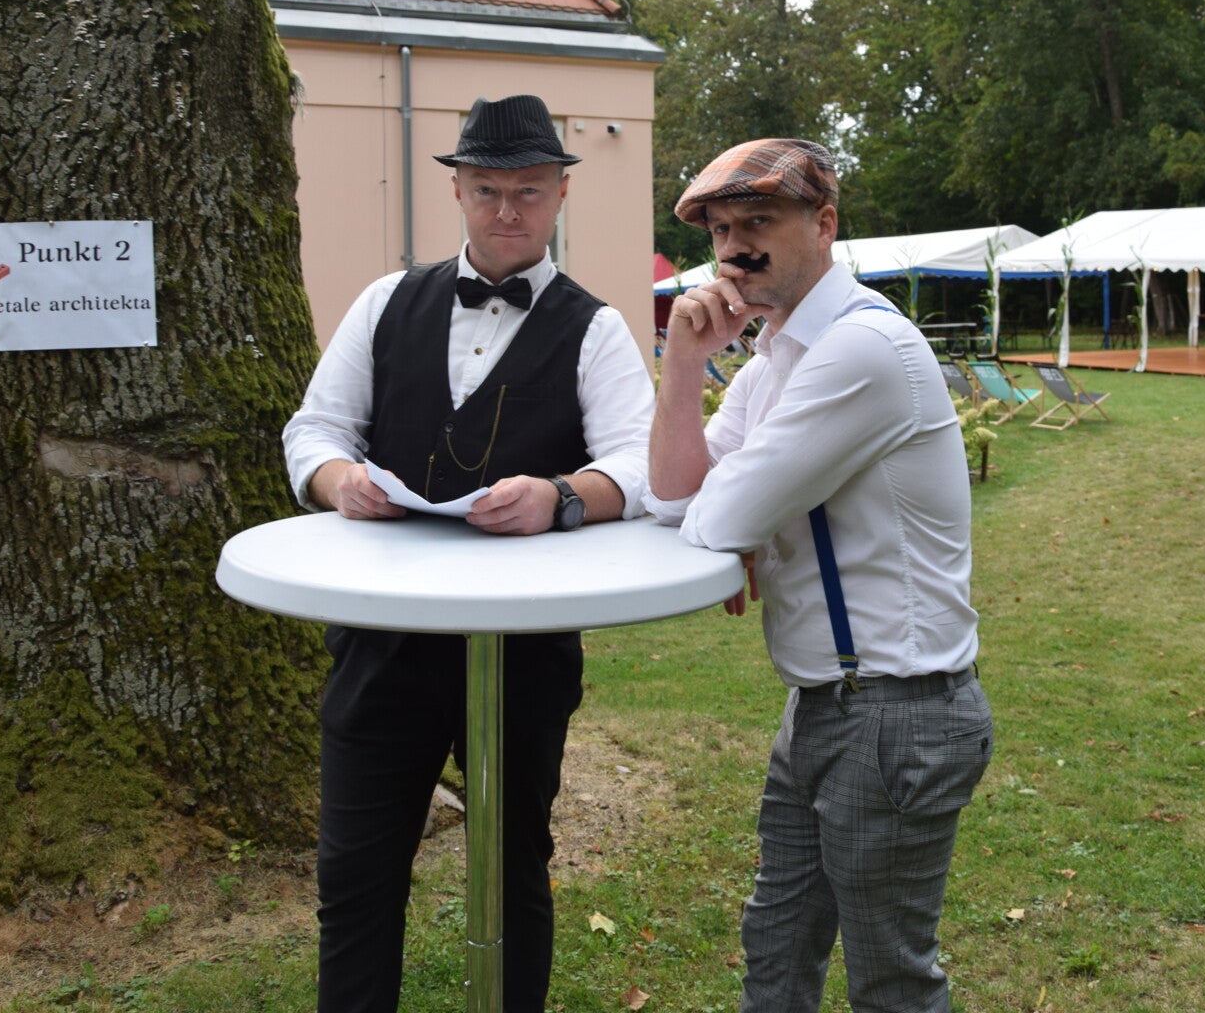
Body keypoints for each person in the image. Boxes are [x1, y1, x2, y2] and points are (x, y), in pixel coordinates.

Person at [282, 94, 654, 1013]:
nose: (506, 211)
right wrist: (339, 481)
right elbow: (314, 429)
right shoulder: (385, 302)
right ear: (457, 191)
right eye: (487, 189)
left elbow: (642, 465)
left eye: (528, 191)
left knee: (515, 867)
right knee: (355, 876)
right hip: (381, 637)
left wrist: (562, 496)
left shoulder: (596, 327)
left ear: (560, 193)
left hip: (525, 647)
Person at [646, 138, 993, 1013]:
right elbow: (675, 497)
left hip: (896, 711)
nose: (735, 249)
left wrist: (738, 526)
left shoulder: (861, 349)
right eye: (721, 231)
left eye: (758, 222)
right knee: (777, 946)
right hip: (827, 703)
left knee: (890, 982)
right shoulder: (776, 356)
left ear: (825, 223)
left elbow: (719, 517)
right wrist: (683, 362)